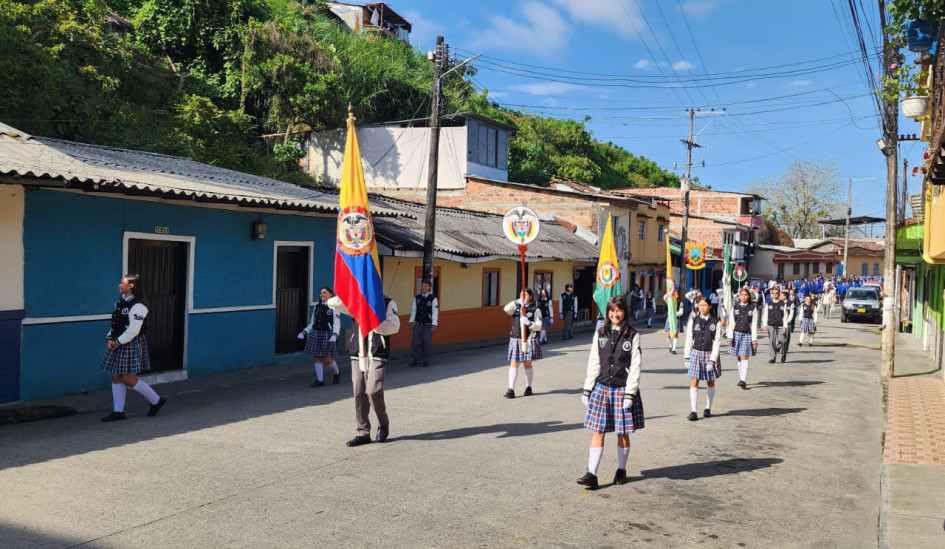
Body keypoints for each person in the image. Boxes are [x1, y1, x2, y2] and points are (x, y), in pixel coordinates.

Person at [577, 295, 644, 489]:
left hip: (623, 390)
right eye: (612, 310)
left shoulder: (633, 335)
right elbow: (594, 361)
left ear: (625, 312)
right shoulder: (601, 332)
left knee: (622, 432)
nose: (615, 314)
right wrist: (587, 389)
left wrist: (630, 394)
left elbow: (636, 366)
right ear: (608, 312)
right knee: (598, 430)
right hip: (602, 387)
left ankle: (621, 470)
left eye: (619, 310)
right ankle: (592, 473)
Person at [327, 295, 401, 447]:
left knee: (373, 390)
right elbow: (333, 303)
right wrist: (349, 293)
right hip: (358, 352)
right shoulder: (356, 301)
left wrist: (372, 321)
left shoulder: (387, 302)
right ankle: (363, 432)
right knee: (359, 392)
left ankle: (383, 423)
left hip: (377, 351)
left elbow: (394, 326)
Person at [100, 274, 166, 422]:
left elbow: (133, 330)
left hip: (130, 343)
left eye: (122, 283)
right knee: (116, 375)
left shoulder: (138, 306)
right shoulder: (120, 303)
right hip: (118, 341)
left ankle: (156, 400)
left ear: (131, 286)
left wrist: (118, 342)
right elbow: (115, 325)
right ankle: (118, 412)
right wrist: (109, 337)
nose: (119, 285)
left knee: (128, 378)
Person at [684, 298, 723, 420]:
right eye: (700, 305)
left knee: (710, 382)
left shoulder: (715, 321)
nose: (702, 307)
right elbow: (689, 339)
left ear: (710, 306)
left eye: (705, 305)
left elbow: (717, 342)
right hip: (696, 353)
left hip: (709, 354)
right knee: (694, 381)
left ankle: (708, 407)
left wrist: (712, 360)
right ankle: (693, 411)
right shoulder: (694, 320)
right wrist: (687, 357)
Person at [299, 286, 341, 387]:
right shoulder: (316, 307)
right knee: (317, 357)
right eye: (321, 293)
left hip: (328, 334)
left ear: (330, 294)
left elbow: (336, 323)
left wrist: (335, 334)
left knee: (327, 358)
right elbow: (312, 323)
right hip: (316, 333)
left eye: (325, 293)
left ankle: (337, 373)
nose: (322, 295)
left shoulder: (334, 308)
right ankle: (320, 380)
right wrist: (304, 332)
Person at [504, 288, 543, 398]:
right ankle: (511, 389)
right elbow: (506, 309)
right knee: (514, 363)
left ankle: (528, 387)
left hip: (529, 339)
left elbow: (539, 325)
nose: (523, 296)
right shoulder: (516, 308)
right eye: (521, 294)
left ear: (530, 296)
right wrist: (517, 302)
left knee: (527, 363)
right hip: (516, 338)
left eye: (525, 295)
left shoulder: (535, 309)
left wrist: (529, 323)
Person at [728, 288, 759, 389]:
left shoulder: (752, 308)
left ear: (749, 296)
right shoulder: (735, 307)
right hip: (736, 334)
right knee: (739, 357)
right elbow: (732, 323)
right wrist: (730, 337)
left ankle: (743, 380)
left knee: (744, 356)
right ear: (739, 296)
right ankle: (741, 377)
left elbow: (754, 324)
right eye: (742, 294)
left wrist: (754, 339)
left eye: (746, 294)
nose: (744, 296)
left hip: (747, 334)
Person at [408, 280, 438, 367]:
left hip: (428, 325)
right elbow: (414, 311)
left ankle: (426, 360)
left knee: (427, 343)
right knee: (415, 342)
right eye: (422, 286)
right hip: (418, 324)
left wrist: (434, 324)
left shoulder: (433, 299)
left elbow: (435, 312)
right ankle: (416, 359)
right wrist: (411, 321)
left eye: (425, 286)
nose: (423, 287)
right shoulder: (417, 298)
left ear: (429, 288)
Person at [762, 287, 789, 364]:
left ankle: (782, 354)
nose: (774, 294)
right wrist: (765, 326)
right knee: (772, 342)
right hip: (771, 325)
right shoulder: (768, 303)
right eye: (773, 293)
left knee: (782, 340)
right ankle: (772, 357)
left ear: (779, 294)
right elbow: (765, 315)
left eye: (776, 293)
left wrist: (785, 327)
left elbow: (785, 316)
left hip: (781, 325)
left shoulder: (783, 304)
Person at [780, 287, 800, 361]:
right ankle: (780, 346)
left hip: (788, 323)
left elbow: (791, 313)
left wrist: (788, 321)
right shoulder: (779, 303)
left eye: (781, 295)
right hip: (780, 323)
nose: (780, 296)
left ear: (785, 296)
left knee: (787, 338)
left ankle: (785, 350)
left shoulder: (790, 303)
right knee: (780, 338)